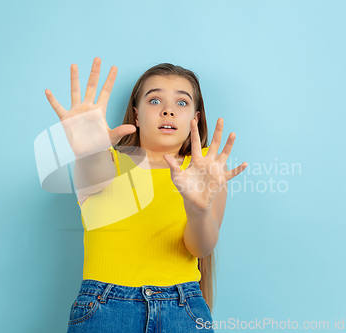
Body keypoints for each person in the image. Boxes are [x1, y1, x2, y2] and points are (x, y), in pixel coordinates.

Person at [45, 57, 248, 332]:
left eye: (182, 102)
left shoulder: (205, 174)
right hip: (105, 311)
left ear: (195, 119)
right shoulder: (109, 162)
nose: (168, 111)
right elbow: (94, 169)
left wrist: (198, 209)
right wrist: (88, 151)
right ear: (137, 115)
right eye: (154, 101)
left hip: (182, 310)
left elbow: (200, 249)